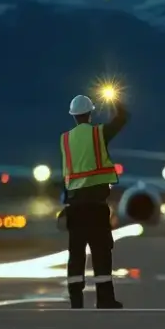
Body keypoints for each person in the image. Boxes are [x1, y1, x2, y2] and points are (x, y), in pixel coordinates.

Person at [59, 93, 128, 309]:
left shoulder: (65, 139)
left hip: (75, 207)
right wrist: (114, 97)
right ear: (90, 113)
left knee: (76, 255)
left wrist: (66, 205)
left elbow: (67, 175)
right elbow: (123, 118)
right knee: (101, 253)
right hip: (96, 208)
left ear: (73, 116)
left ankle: (76, 301)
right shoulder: (99, 134)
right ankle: (105, 299)